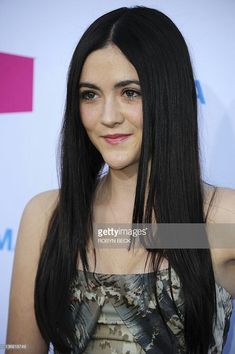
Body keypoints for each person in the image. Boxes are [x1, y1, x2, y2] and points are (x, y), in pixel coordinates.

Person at [5, 6, 235, 354]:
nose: (107, 117)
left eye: (130, 92)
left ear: (167, 95)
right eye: (90, 95)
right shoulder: (46, 216)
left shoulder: (218, 220)